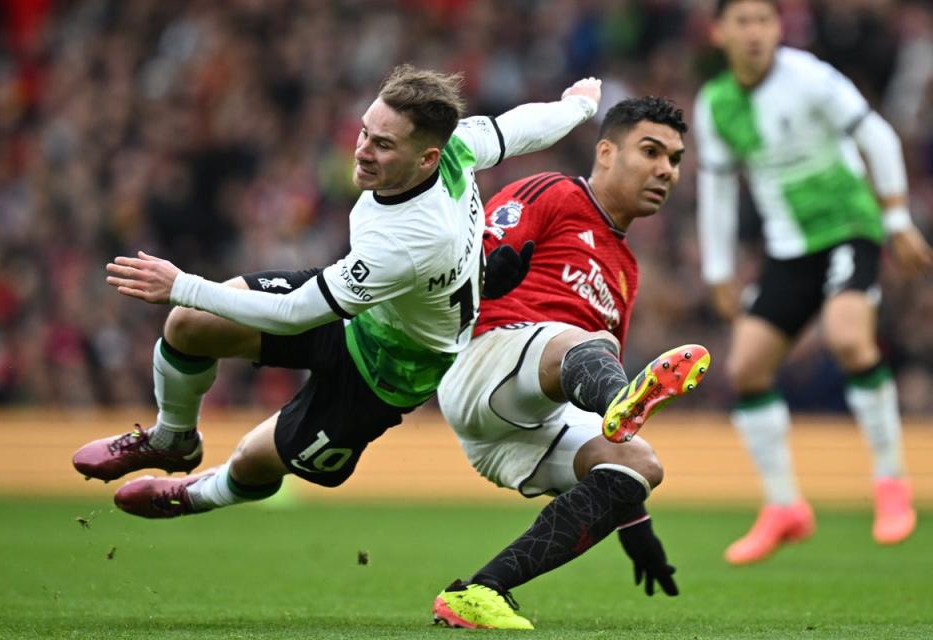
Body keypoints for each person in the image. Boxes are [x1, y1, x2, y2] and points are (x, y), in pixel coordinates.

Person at [72, 65, 604, 515]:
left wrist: (182, 284)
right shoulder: (454, 148)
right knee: (189, 326)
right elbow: (515, 128)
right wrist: (576, 106)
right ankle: (173, 439)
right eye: (365, 132)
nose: (363, 151)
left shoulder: (411, 240)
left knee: (256, 460)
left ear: (425, 158)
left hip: (390, 367)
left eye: (383, 144)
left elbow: (294, 313)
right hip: (364, 307)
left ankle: (197, 495)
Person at [430, 97, 710, 630]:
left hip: (515, 426)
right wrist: (493, 267)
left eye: (674, 159)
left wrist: (635, 525)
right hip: (484, 363)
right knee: (582, 344)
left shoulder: (625, 269)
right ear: (606, 152)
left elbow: (596, 408)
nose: (665, 170)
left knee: (639, 464)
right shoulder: (554, 192)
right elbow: (475, 259)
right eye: (651, 151)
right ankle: (622, 398)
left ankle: (479, 592)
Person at [695, 0, 933, 566]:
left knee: (849, 337)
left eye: (764, 21)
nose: (755, 32)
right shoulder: (716, 104)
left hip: (850, 225)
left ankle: (891, 483)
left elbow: (875, 135)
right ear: (718, 32)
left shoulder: (809, 77)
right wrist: (718, 270)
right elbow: (719, 192)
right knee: (746, 368)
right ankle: (784, 507)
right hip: (788, 247)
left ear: (778, 28)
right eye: (743, 22)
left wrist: (897, 218)